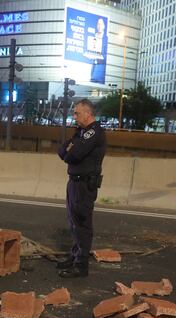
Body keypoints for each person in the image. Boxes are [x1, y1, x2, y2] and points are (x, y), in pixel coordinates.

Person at [57, 99, 106, 278]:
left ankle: (81, 265)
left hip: (85, 184)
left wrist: (70, 151)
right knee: (73, 223)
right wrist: (68, 150)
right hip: (74, 182)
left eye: (77, 113)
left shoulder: (94, 132)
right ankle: (75, 256)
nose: (74, 116)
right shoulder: (82, 132)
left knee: (82, 225)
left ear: (88, 113)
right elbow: (62, 150)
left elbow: (74, 155)